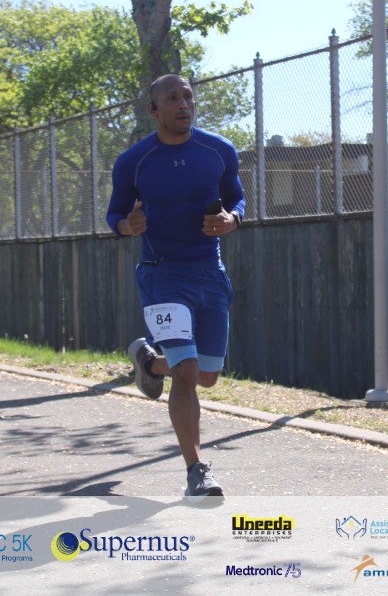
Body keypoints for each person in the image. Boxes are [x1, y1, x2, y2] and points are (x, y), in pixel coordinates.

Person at [105, 74, 245, 499]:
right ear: (154, 110)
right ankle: (197, 472)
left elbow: (237, 198)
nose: (184, 104)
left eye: (188, 97)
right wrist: (127, 225)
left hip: (209, 272)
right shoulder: (134, 161)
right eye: (172, 98)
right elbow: (114, 214)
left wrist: (233, 219)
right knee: (186, 372)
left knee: (207, 376)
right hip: (161, 274)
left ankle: (150, 364)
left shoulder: (219, 150)